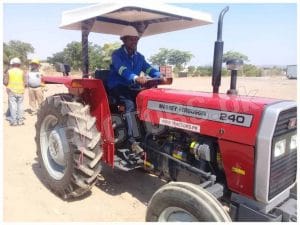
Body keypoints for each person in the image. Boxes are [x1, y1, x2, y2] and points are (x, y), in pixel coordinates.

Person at [107, 26, 162, 155]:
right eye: (131, 40)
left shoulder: (139, 57)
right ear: (124, 41)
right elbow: (121, 69)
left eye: (136, 40)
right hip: (117, 85)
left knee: (148, 100)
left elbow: (148, 69)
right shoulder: (117, 55)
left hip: (132, 86)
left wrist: (159, 75)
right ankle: (132, 140)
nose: (134, 42)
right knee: (130, 104)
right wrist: (135, 77)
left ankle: (151, 132)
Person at [3, 57, 26, 126]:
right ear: (19, 64)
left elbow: (5, 82)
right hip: (21, 91)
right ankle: (20, 121)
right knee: (20, 106)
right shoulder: (22, 72)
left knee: (13, 106)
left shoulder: (9, 72)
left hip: (11, 91)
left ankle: (14, 122)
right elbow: (25, 83)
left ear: (12, 64)